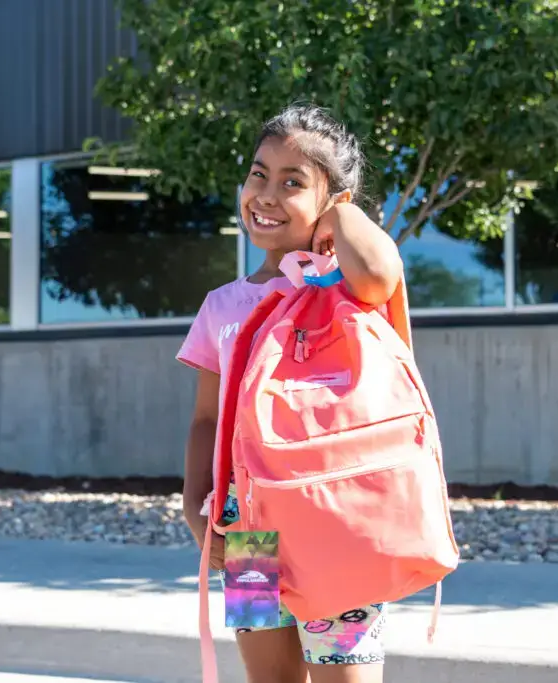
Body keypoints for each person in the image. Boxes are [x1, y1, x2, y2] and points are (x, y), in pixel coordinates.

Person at [176, 103, 404, 683]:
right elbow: (208, 419)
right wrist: (194, 506)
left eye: (293, 182)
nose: (267, 194)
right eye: (259, 174)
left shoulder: (348, 289)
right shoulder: (220, 306)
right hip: (247, 527)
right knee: (267, 679)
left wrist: (344, 219)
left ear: (332, 203)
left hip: (337, 525)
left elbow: (381, 273)